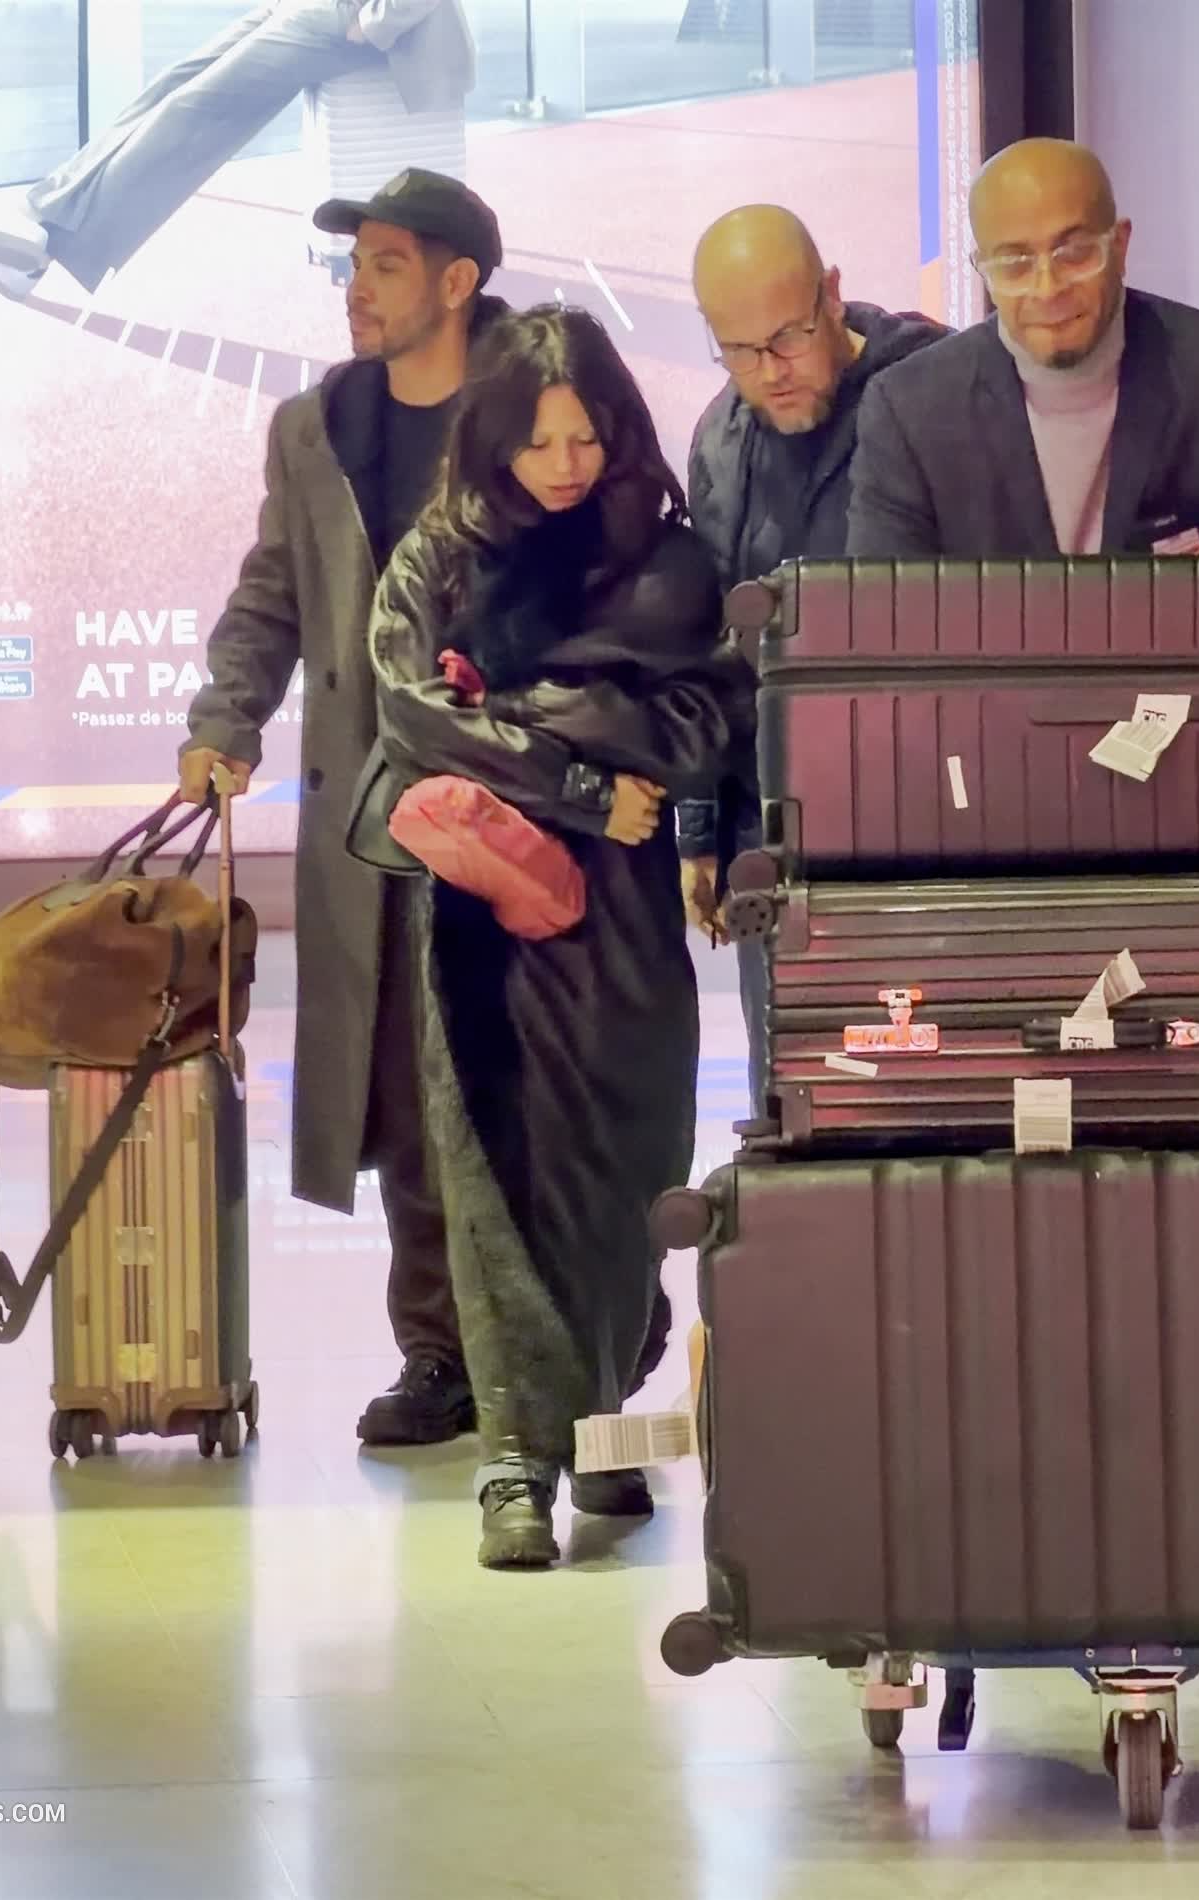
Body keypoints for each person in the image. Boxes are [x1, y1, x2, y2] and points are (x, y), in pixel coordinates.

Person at [366, 305, 755, 1567]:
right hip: (482, 907)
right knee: (504, 1162)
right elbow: (413, 716)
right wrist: (580, 774)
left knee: (632, 1159)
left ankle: (601, 1423)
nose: (564, 464)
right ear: (494, 439)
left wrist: (542, 714)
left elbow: (708, 715)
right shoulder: (443, 553)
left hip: (627, 906)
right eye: (537, 441)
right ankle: (515, 1461)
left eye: (584, 436)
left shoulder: (668, 560)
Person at [176, 169, 503, 1449]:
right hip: (373, 817)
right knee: (407, 1086)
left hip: (518, 802)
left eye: (385, 263)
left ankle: (557, 1354)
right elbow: (274, 591)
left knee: (528, 1081)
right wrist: (224, 720)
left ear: (457, 282)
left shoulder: (536, 403)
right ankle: (438, 1353)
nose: (357, 289)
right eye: (352, 264)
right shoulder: (317, 427)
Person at [678, 206, 946, 1108]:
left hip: (924, 822)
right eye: (738, 350)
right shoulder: (721, 439)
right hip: (775, 831)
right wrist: (699, 829)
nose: (770, 371)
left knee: (934, 1086)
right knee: (795, 1096)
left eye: (788, 337)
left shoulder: (935, 389)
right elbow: (710, 649)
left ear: (831, 295)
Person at [0, 1, 474, 302]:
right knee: (173, 84)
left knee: (197, 107)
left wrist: (375, 21)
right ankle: (36, 225)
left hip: (378, 21)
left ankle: (40, 245)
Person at [847, 138, 1199, 558]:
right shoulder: (909, 412)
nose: (1048, 288)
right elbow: (885, 598)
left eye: (1073, 254)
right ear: (983, 272)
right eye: (1014, 264)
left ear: (1120, 246)